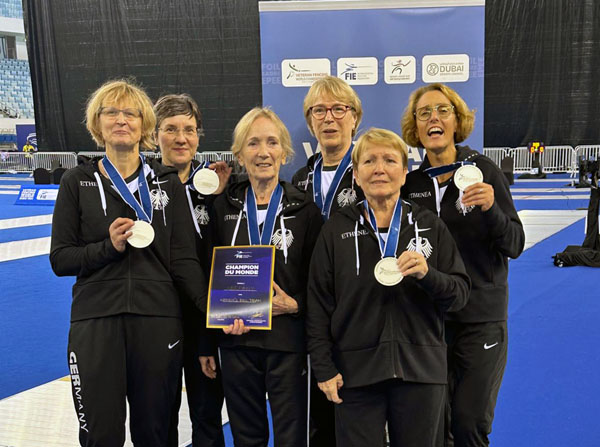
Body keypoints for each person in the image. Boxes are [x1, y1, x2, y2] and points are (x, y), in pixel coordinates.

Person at [50, 79, 208, 446]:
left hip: (157, 322)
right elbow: (61, 258)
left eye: (131, 113)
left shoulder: (167, 185)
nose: (122, 120)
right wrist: (108, 246)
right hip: (96, 320)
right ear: (97, 123)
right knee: (100, 435)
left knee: (155, 434)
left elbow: (184, 260)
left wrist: (214, 312)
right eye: (112, 112)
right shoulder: (77, 181)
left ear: (145, 124)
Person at [306, 127, 470, 447]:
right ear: (355, 175)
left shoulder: (429, 225)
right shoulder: (335, 230)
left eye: (390, 160)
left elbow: (460, 295)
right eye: (369, 161)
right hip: (355, 374)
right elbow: (318, 304)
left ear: (405, 173)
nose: (380, 168)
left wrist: (427, 274)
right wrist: (324, 368)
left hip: (420, 371)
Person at [400, 83, 525, 447]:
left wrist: (490, 210)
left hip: (479, 320)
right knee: (434, 428)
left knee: (469, 425)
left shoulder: (482, 170)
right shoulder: (411, 184)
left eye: (443, 110)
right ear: (416, 127)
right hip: (428, 323)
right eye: (424, 113)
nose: (433, 118)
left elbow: (514, 244)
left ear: (457, 121)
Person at [200, 107, 322, 447]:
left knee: (292, 437)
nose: (263, 152)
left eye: (272, 142)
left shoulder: (305, 210)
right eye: (253, 143)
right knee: (247, 437)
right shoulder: (221, 208)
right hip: (236, 341)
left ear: (285, 151)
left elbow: (322, 283)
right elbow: (208, 274)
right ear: (239, 153)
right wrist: (208, 340)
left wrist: (296, 305)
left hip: (289, 344)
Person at [154, 93, 231, 447]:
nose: (181, 138)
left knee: (207, 414)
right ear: (155, 135)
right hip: (158, 318)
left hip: (204, 317)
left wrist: (222, 196)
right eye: (171, 129)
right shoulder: (142, 185)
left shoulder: (216, 186)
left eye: (189, 129)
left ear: (199, 135)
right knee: (159, 417)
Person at [291, 75, 364, 446]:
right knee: (317, 417)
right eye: (319, 110)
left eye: (339, 109)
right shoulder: (301, 179)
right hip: (311, 311)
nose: (329, 118)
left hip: (358, 313)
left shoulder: (370, 171)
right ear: (309, 122)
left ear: (355, 118)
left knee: (357, 416)